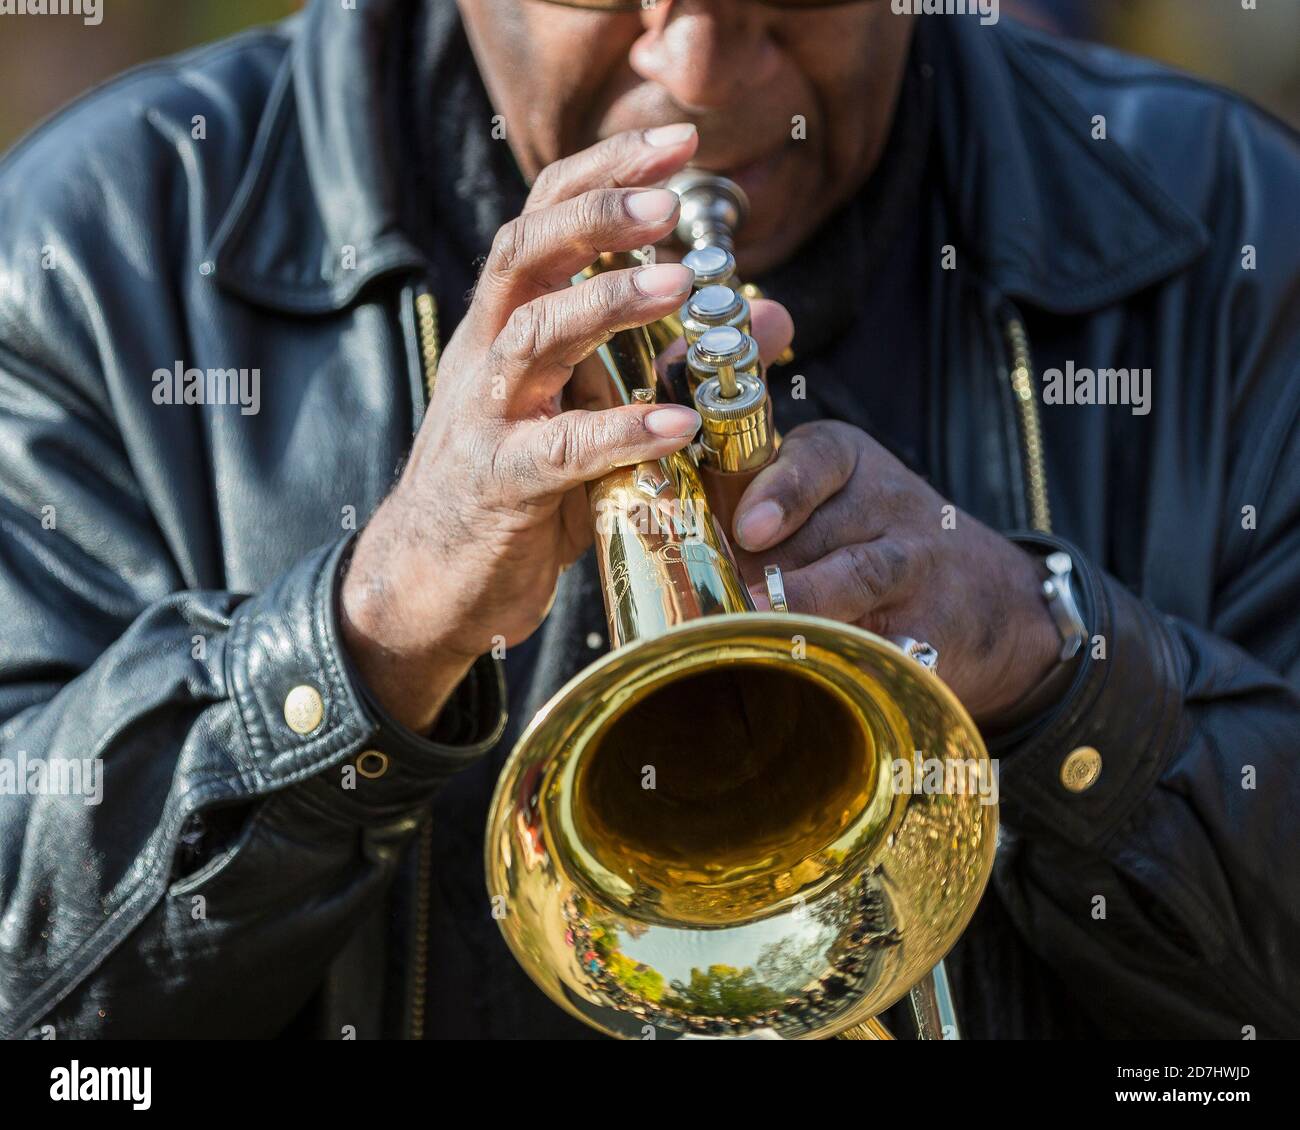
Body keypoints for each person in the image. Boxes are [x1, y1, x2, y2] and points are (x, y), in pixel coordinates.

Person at [0, 0, 1296, 1040]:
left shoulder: (1239, 221)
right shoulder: (89, 251)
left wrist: (1062, 667)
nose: (694, 66)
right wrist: (361, 640)